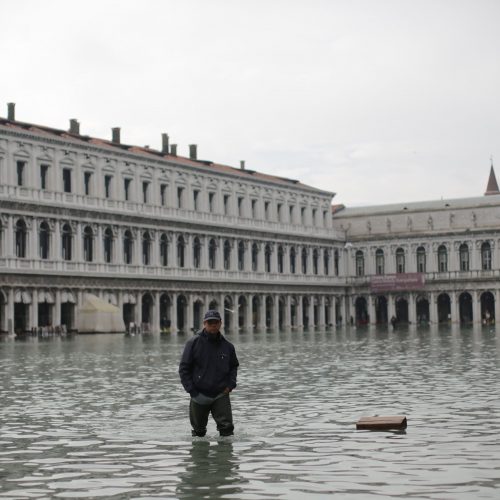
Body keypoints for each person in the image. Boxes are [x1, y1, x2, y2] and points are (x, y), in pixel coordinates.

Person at [179, 310, 239, 437]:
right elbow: (184, 368)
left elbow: (234, 366)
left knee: (227, 430)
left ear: (220, 323)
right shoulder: (193, 343)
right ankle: (199, 456)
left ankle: (225, 456)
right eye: (210, 322)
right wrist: (192, 391)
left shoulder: (228, 346)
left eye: (216, 322)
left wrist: (230, 385)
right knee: (198, 432)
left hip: (221, 394)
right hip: (199, 394)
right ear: (204, 324)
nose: (213, 325)